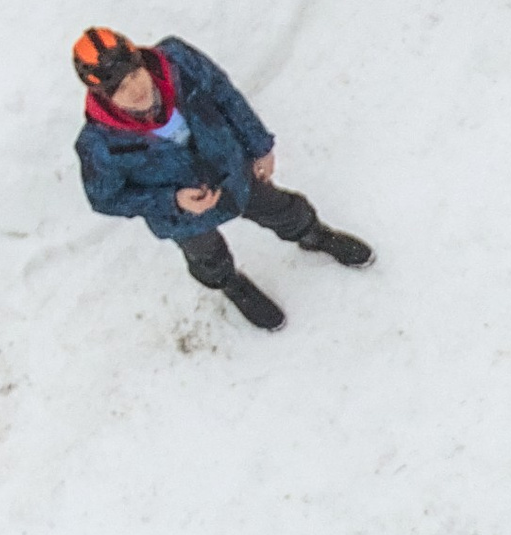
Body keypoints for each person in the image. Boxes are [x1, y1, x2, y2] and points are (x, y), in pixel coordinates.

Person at [72, 27, 371, 332]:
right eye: (121, 89)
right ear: (103, 96)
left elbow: (224, 94)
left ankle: (314, 236)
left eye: (135, 75)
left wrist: (259, 145)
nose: (136, 90)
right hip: (184, 217)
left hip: (233, 171)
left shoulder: (179, 61)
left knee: (283, 209)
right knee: (206, 256)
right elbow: (104, 198)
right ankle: (230, 284)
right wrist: (172, 200)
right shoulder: (99, 145)